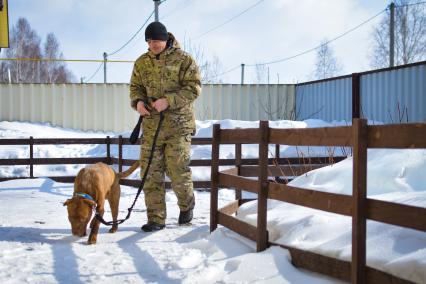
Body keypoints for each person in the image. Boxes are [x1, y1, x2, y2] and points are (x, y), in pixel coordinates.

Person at [129, 21, 201, 232]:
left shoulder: (184, 59)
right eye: (149, 41)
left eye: (156, 40)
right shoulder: (141, 63)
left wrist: (169, 100)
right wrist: (138, 102)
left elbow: (194, 88)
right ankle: (156, 219)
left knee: (177, 170)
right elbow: (135, 88)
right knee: (150, 174)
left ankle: (187, 204)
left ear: (166, 39)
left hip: (178, 126)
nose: (153, 45)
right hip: (152, 127)